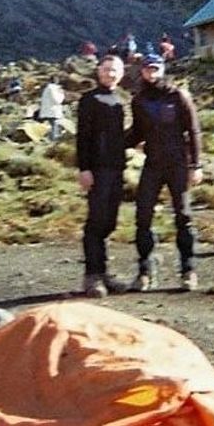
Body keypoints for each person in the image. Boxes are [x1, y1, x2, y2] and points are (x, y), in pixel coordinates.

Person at [126, 54, 203, 292]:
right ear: (142, 71)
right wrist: (111, 143)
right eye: (147, 69)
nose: (151, 73)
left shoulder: (178, 95)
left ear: (162, 69)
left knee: (183, 215)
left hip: (178, 164)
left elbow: (194, 131)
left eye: (155, 68)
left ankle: (188, 270)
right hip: (153, 164)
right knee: (143, 215)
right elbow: (137, 133)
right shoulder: (139, 100)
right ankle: (145, 272)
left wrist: (196, 165)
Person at [76, 55, 130, 298]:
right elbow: (82, 137)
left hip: (117, 167)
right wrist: (84, 168)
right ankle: (92, 276)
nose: (110, 74)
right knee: (96, 221)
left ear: (122, 73)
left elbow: (119, 136)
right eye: (107, 69)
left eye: (115, 70)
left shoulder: (120, 99)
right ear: (99, 71)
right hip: (97, 169)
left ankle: (104, 272)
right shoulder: (89, 100)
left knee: (109, 221)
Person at [38, 76, 66, 141]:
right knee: (55, 126)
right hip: (53, 111)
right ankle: (54, 141)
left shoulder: (47, 88)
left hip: (48, 110)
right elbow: (57, 100)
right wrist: (62, 94)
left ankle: (51, 140)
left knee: (53, 126)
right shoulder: (53, 89)